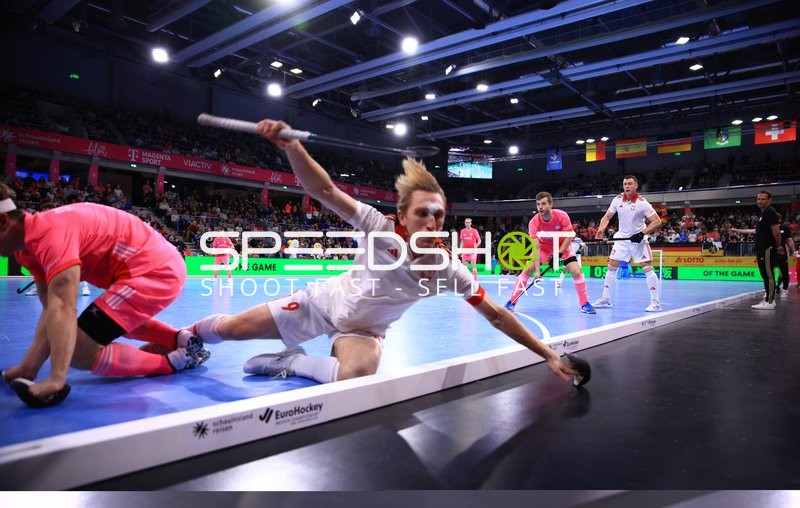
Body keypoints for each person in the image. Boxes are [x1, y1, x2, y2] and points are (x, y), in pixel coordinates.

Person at [189, 118, 588, 386]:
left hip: (362, 331)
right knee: (229, 330)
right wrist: (292, 146)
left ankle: (291, 362)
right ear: (402, 216)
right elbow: (323, 189)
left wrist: (547, 354)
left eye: (438, 214)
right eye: (422, 213)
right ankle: (184, 339)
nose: (431, 221)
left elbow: (497, 315)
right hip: (322, 304)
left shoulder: (449, 269)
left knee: (357, 375)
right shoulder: (378, 227)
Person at [0, 184, 210, 407]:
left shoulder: (49, 235)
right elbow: (52, 309)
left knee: (79, 351)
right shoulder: (26, 249)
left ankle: (175, 362)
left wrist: (57, 379)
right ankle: (179, 339)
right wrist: (28, 368)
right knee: (111, 321)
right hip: (149, 265)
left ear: (3, 221)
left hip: (155, 269)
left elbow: (62, 308)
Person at [504, 192, 596, 314]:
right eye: (538, 204)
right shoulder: (533, 222)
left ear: (550, 204)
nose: (540, 207)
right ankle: (512, 301)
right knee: (527, 270)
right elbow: (536, 248)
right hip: (543, 247)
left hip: (562, 245)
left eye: (543, 204)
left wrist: (559, 254)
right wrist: (537, 272)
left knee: (576, 271)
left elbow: (569, 236)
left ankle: (584, 303)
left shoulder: (562, 216)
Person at [592, 175, 663, 312]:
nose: (627, 186)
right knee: (611, 267)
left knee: (647, 268)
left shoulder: (642, 203)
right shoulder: (617, 200)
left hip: (638, 240)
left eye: (630, 184)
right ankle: (606, 299)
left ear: (636, 186)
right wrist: (601, 230)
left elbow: (657, 221)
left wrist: (642, 233)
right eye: (625, 184)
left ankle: (655, 302)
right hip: (622, 239)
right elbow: (607, 217)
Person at [729, 190, 782, 310]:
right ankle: (768, 298)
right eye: (758, 199)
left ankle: (770, 301)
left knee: (768, 275)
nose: (760, 201)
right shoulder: (762, 214)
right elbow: (755, 231)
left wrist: (778, 246)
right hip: (761, 248)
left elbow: (776, 232)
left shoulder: (770, 212)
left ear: (769, 200)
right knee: (765, 275)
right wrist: (737, 230)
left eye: (763, 199)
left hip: (767, 248)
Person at [775, 217, 796, 297]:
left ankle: (784, 289)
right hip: (771, 253)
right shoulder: (768, 228)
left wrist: (794, 252)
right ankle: (770, 290)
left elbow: (789, 241)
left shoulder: (785, 228)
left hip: (782, 253)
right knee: (769, 272)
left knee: (783, 273)